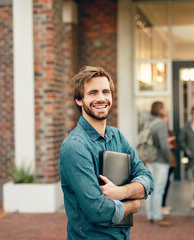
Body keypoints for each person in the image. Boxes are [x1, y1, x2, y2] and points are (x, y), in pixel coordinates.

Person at [59, 66, 154, 239]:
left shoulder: (116, 136)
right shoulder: (74, 147)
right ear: (79, 100)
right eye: (93, 93)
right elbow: (98, 210)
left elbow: (147, 178)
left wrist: (122, 193)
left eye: (106, 92)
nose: (101, 98)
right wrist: (133, 205)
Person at [145, 101, 172, 227]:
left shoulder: (148, 122)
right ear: (160, 110)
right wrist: (169, 159)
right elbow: (164, 146)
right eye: (164, 108)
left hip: (149, 159)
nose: (165, 110)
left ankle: (150, 215)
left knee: (150, 189)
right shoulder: (161, 124)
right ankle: (157, 217)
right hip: (160, 161)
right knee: (159, 189)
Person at [161, 115, 177, 216]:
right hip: (162, 162)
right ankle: (161, 206)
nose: (166, 119)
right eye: (164, 117)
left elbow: (174, 146)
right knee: (162, 184)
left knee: (167, 184)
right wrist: (167, 144)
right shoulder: (159, 131)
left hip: (171, 162)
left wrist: (170, 145)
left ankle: (164, 205)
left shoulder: (169, 131)